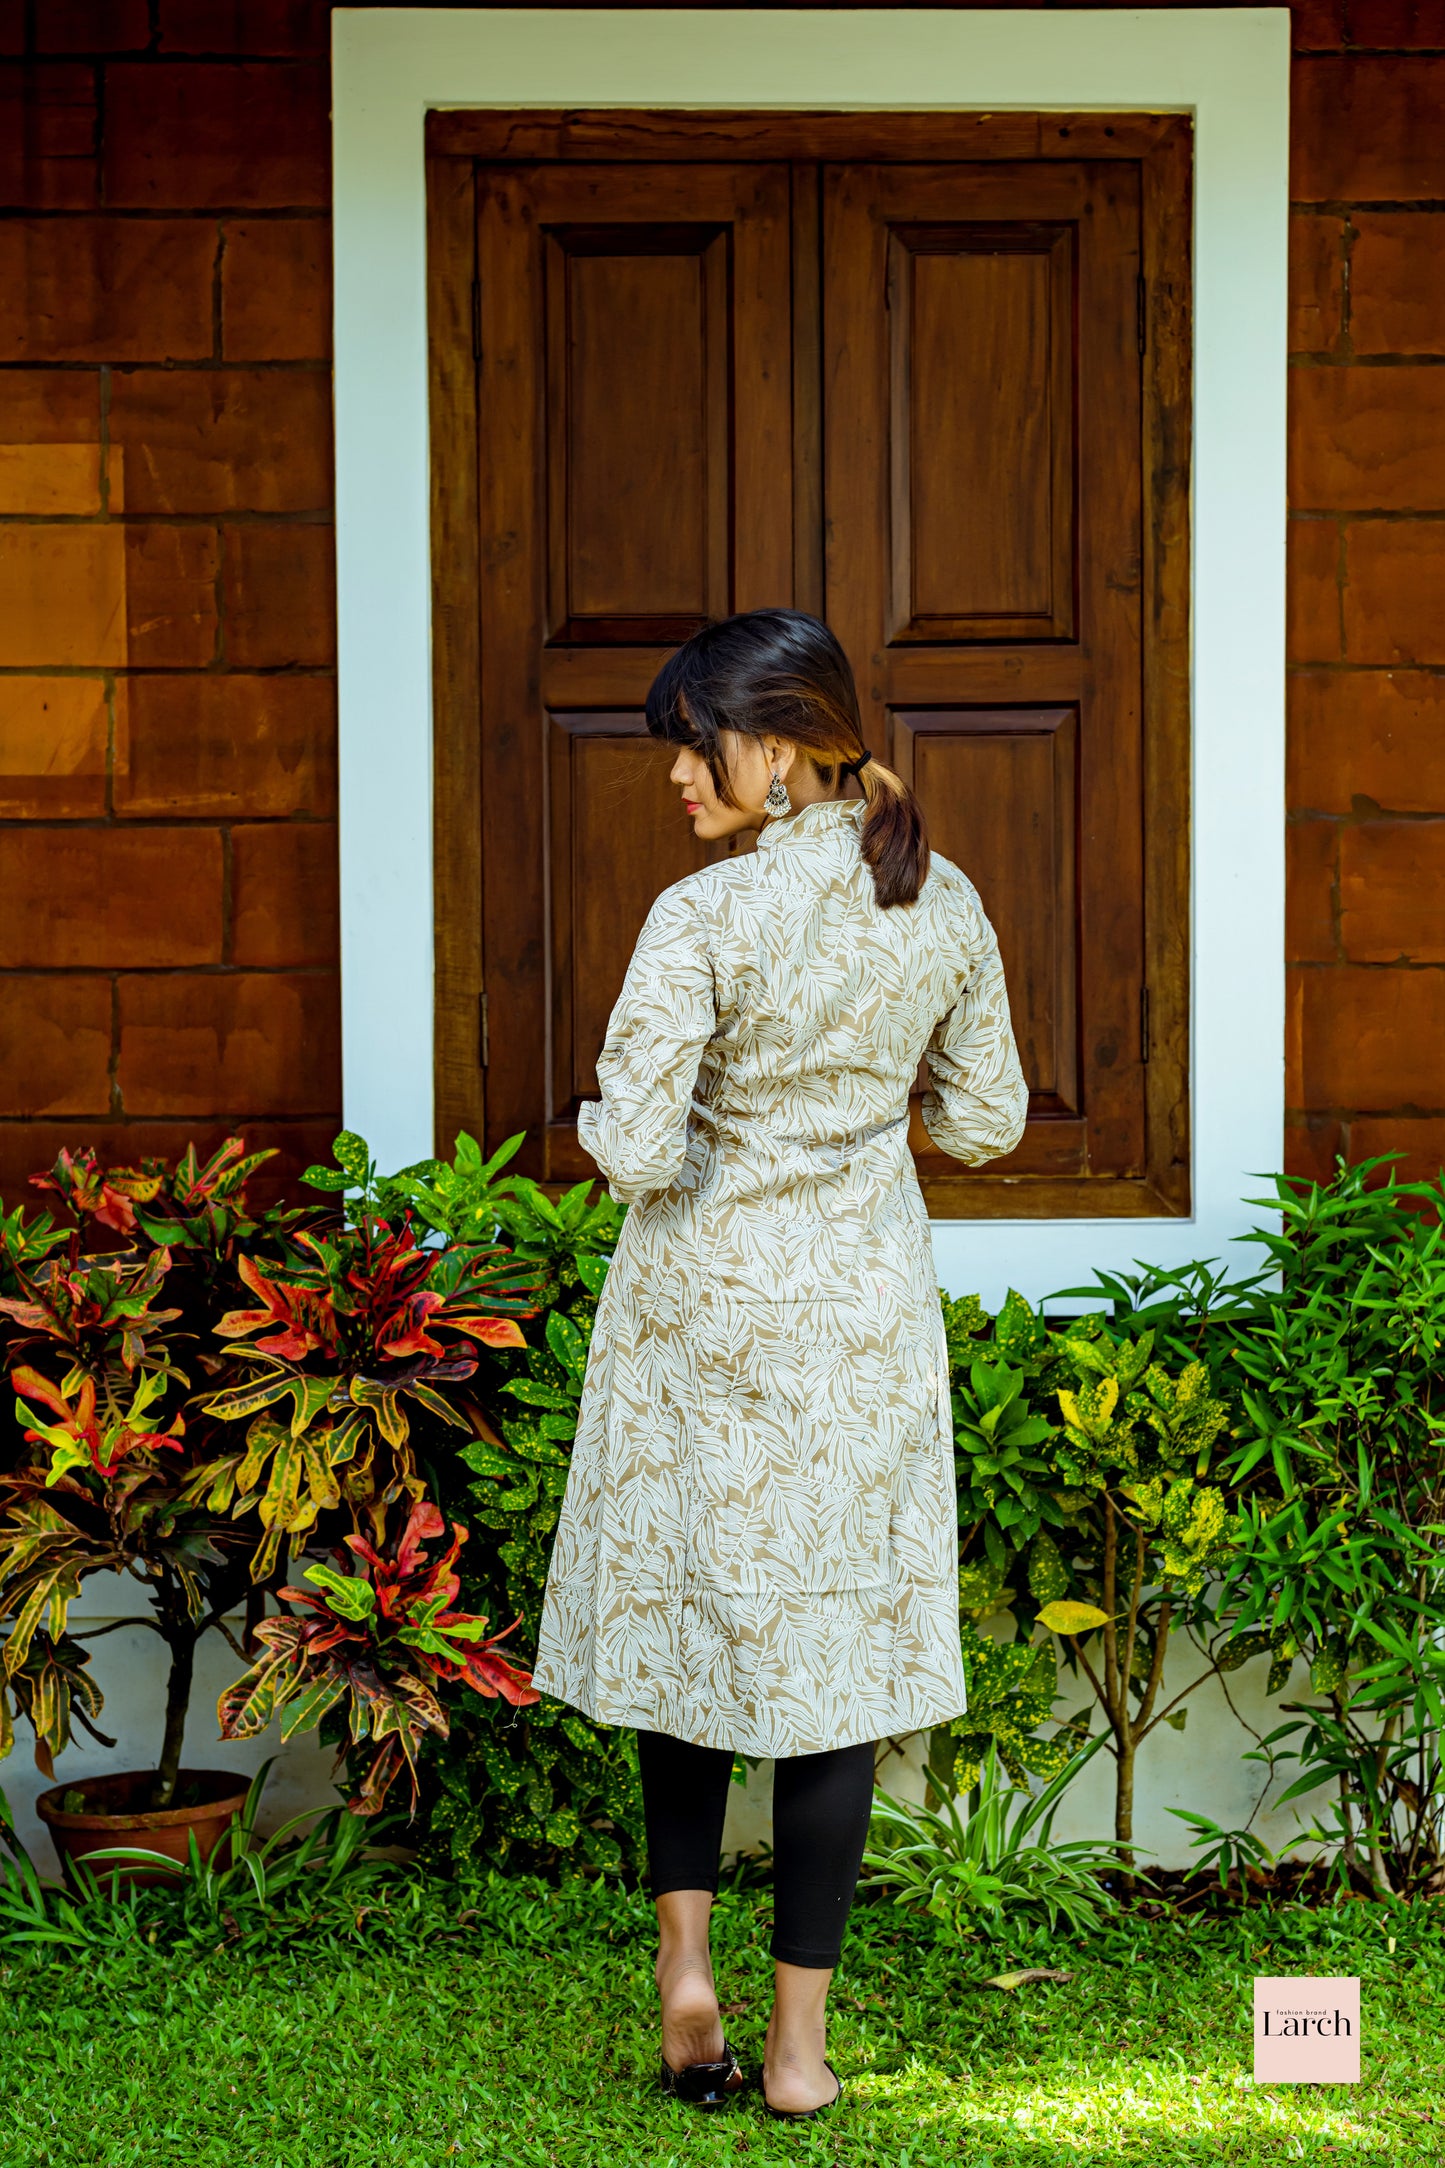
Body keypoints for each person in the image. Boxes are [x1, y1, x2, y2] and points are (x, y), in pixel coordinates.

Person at [531, 609, 1028, 2118]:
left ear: (783, 743)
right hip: (859, 1329)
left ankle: (687, 1971)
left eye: (696, 744)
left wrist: (676, 1138)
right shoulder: (938, 903)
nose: (678, 775)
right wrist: (866, 1127)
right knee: (837, 1681)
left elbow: (626, 1146)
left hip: (701, 1320)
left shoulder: (702, 920)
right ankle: (798, 2055)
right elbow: (990, 1119)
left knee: (693, 1636)